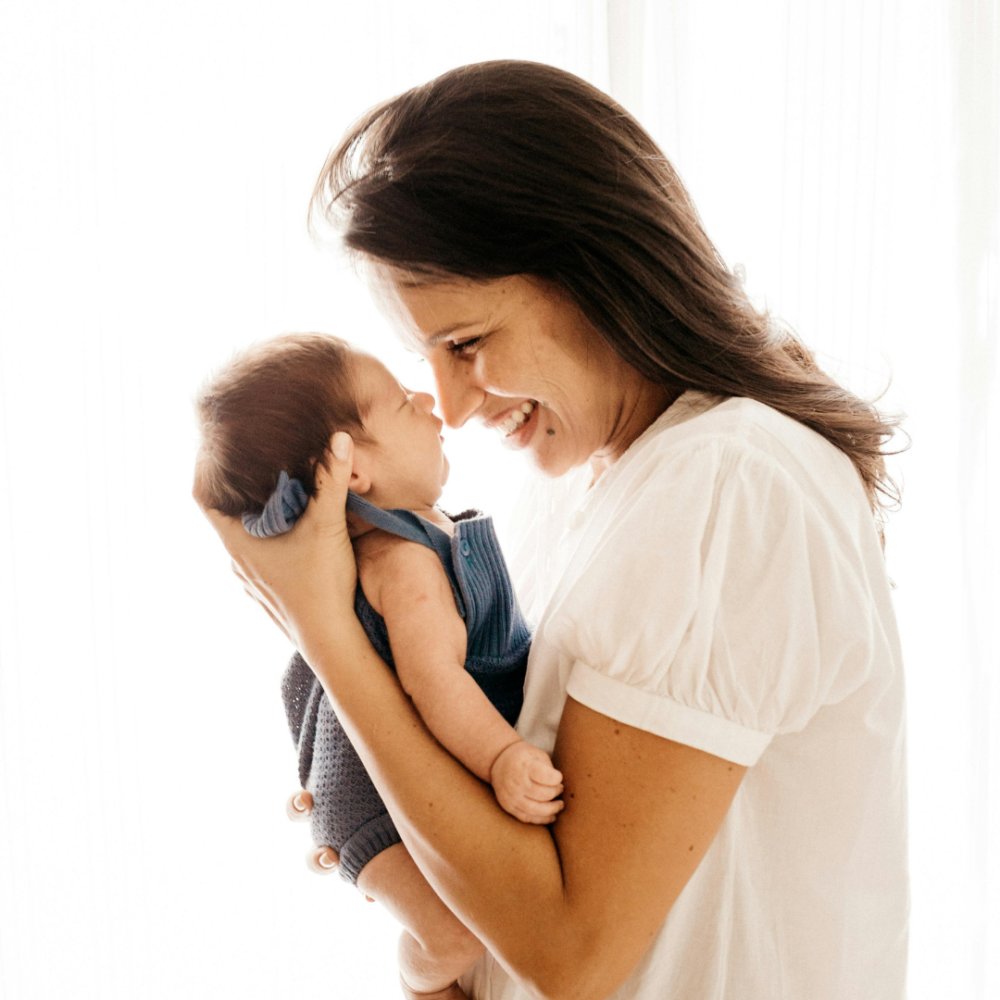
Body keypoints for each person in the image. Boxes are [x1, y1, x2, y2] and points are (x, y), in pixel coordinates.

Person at [198, 61, 908, 1000]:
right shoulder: (602, 487)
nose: (448, 403)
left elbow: (572, 950)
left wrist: (324, 632)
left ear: (592, 272)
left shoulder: (727, 481)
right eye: (428, 357)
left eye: (467, 343)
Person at [194, 332, 564, 997]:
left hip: (385, 780)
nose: (428, 399)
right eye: (400, 399)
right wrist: (503, 757)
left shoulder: (418, 538)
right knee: (454, 933)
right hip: (369, 806)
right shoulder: (402, 562)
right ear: (351, 467)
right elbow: (435, 682)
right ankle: (418, 978)